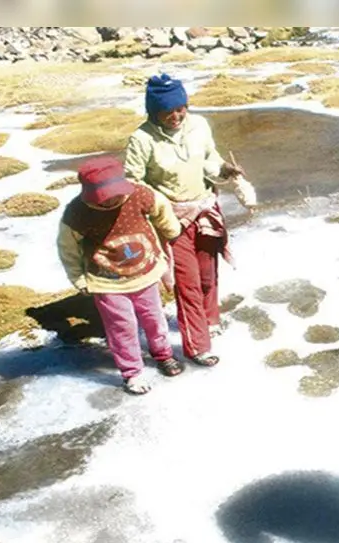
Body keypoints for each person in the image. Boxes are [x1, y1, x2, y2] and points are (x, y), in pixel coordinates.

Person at [123, 73, 253, 367]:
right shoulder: (142, 139)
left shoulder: (199, 125)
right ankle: (197, 346)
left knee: (208, 273)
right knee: (188, 282)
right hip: (171, 219)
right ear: (153, 111)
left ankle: (209, 319)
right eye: (167, 111)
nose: (176, 115)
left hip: (205, 208)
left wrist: (224, 170)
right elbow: (133, 181)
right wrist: (160, 205)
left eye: (180, 108)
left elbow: (209, 158)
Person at [57, 156, 184, 395]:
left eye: (117, 193)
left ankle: (163, 354)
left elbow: (161, 207)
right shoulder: (76, 213)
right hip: (107, 282)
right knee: (121, 327)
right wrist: (78, 279)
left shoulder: (140, 195)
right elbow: (68, 249)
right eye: (106, 197)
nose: (114, 200)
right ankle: (132, 372)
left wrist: (171, 230)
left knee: (154, 318)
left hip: (145, 273)